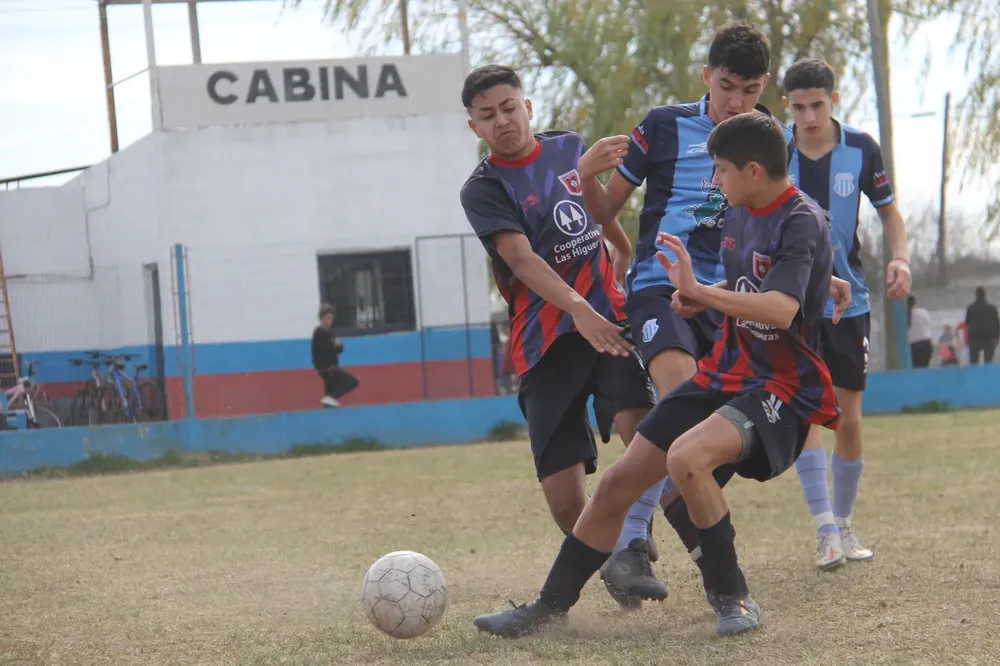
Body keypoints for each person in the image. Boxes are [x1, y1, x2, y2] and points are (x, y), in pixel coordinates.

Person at [472, 112, 847, 639]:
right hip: (728, 372)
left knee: (686, 459)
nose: (713, 180)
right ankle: (548, 608)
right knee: (618, 482)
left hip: (782, 388)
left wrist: (703, 293)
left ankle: (734, 598)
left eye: (720, 169)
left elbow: (782, 309)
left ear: (753, 171)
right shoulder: (742, 210)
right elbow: (761, 280)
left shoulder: (801, 218)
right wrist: (711, 297)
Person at [575, 22, 786, 606]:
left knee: (705, 444)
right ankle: (639, 544)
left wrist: (826, 275)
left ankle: (643, 542)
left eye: (750, 90)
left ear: (764, 85)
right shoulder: (665, 126)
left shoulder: (771, 138)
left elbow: (786, 221)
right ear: (706, 76)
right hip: (659, 289)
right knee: (681, 400)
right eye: (726, 87)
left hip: (730, 300)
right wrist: (587, 176)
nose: (736, 103)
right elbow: (605, 212)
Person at [459, 65, 655, 536]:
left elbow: (595, 205)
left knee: (644, 434)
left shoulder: (569, 147)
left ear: (527, 107)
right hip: (543, 341)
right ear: (475, 126)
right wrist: (577, 308)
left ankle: (635, 541)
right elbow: (522, 261)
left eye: (509, 108)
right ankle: (616, 556)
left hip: (607, 319)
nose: (501, 121)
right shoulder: (483, 189)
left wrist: (622, 246)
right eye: (487, 115)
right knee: (565, 502)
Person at [783, 58, 912, 569]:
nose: (809, 117)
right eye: (798, 108)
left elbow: (889, 210)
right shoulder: (775, 148)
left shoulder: (860, 147)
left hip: (850, 302)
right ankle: (824, 532)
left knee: (849, 419)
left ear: (833, 101)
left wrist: (901, 258)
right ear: (787, 106)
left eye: (817, 105)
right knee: (806, 412)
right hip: (792, 302)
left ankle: (844, 523)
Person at [311, 305, 359, 407]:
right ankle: (331, 397)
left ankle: (329, 401)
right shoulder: (320, 332)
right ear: (321, 318)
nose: (329, 321)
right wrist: (336, 345)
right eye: (327, 318)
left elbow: (339, 349)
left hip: (330, 367)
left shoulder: (329, 333)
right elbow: (328, 348)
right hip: (328, 368)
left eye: (331, 318)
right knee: (353, 382)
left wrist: (337, 345)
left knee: (328, 399)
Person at [965, 286, 1000, 364]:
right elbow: (997, 324)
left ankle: (974, 372)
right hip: (989, 337)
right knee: (988, 361)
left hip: (974, 337)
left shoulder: (971, 308)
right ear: (985, 294)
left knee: (974, 362)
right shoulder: (992, 308)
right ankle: (987, 372)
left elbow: (967, 323)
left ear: (976, 294)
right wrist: (997, 338)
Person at [908, 295, 934, 368]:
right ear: (915, 303)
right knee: (924, 368)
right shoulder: (923, 312)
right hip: (926, 343)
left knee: (915, 369)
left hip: (913, 345)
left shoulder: (905, 315)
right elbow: (929, 324)